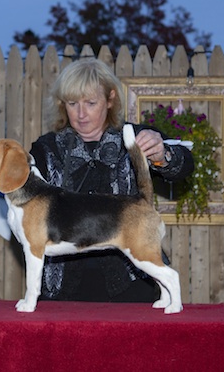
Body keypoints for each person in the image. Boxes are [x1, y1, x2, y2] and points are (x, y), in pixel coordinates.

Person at [30, 58, 194, 303]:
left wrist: (162, 155)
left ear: (110, 99)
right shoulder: (47, 148)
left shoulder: (136, 137)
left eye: (91, 103)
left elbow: (184, 167)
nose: (81, 113)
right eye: (72, 103)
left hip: (132, 284)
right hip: (63, 289)